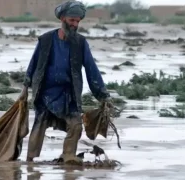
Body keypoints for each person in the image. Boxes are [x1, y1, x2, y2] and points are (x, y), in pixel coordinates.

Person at [21, 0, 112, 164]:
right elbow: (34, 64)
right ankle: (30, 161)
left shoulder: (80, 43)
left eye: (78, 21)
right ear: (62, 19)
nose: (75, 24)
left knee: (76, 125)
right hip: (45, 93)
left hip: (69, 94)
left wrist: (103, 95)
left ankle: (67, 156)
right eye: (72, 20)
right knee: (39, 124)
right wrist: (25, 87)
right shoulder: (46, 40)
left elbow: (92, 69)